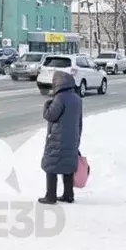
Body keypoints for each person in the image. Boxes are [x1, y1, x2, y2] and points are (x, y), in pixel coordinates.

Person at [39, 70, 83, 205]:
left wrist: (47, 105)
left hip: (57, 138)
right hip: (72, 138)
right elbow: (79, 121)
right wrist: (77, 138)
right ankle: (68, 195)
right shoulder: (77, 98)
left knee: (50, 165)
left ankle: (50, 196)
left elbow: (50, 115)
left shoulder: (60, 98)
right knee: (68, 166)